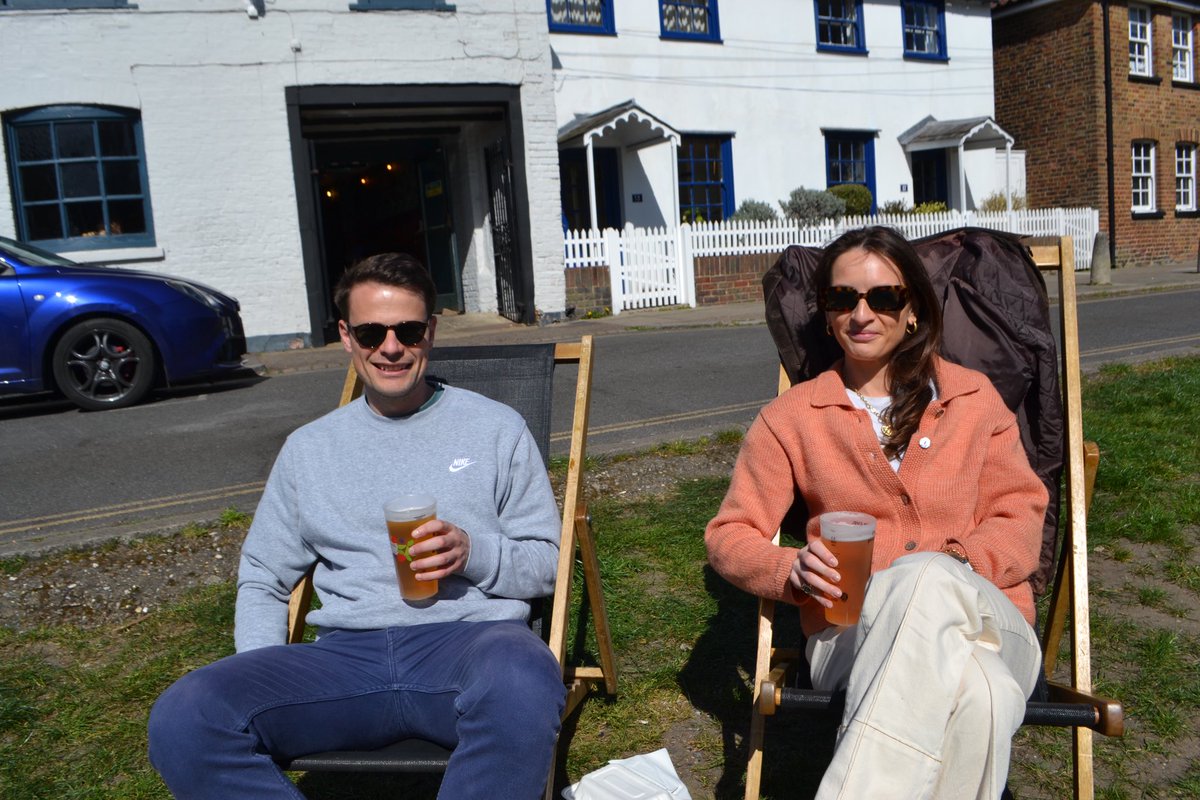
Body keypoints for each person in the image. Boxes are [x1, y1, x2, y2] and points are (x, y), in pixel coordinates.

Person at [148, 253, 566, 799]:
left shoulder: (495, 428)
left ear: (430, 333)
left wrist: (473, 552)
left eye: (408, 330)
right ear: (346, 336)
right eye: (371, 332)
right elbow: (263, 575)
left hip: (470, 649)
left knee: (523, 674)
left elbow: (549, 564)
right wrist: (264, 672)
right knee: (185, 715)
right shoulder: (309, 449)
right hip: (343, 662)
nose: (390, 347)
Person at [705, 227, 1047, 799]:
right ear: (828, 313)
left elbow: (1021, 514)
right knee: (985, 694)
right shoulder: (795, 416)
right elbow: (728, 534)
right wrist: (789, 570)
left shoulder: (973, 399)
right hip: (852, 633)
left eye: (883, 297)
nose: (861, 314)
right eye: (842, 299)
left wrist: (953, 568)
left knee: (928, 576)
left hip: (992, 621)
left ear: (913, 310)